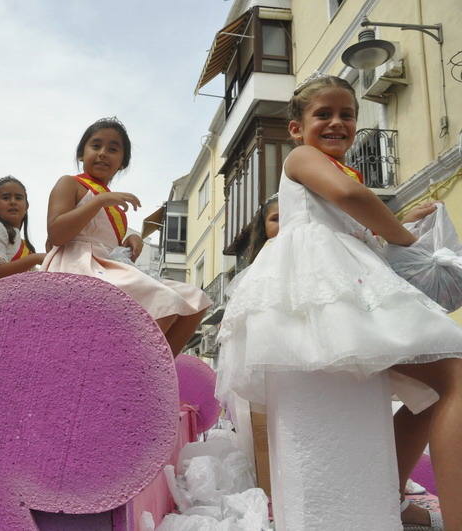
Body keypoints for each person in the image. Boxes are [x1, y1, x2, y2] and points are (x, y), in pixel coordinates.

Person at [216, 74, 462, 529]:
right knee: (452, 374)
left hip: (345, 283)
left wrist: (401, 221)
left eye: (347, 114)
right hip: (330, 289)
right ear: (296, 128)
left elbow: (353, 221)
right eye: (322, 114)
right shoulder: (304, 158)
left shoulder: (337, 172)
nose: (336, 123)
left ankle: (391, 495)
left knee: (434, 390)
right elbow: (350, 198)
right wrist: (407, 238)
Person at [43, 117, 211, 355]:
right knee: (163, 299)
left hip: (104, 264)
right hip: (76, 264)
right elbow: (57, 234)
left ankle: (155, 373)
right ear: (81, 154)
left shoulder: (113, 201)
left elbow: (103, 239)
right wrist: (99, 200)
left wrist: (128, 241)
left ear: (122, 162)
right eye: (96, 146)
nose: (103, 153)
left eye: (112, 149)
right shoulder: (70, 183)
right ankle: (129, 366)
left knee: (195, 299)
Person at [0, 176, 45, 281]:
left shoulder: (25, 245)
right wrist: (35, 258)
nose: (13, 202)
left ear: (26, 207)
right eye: (6, 198)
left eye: (18, 198)